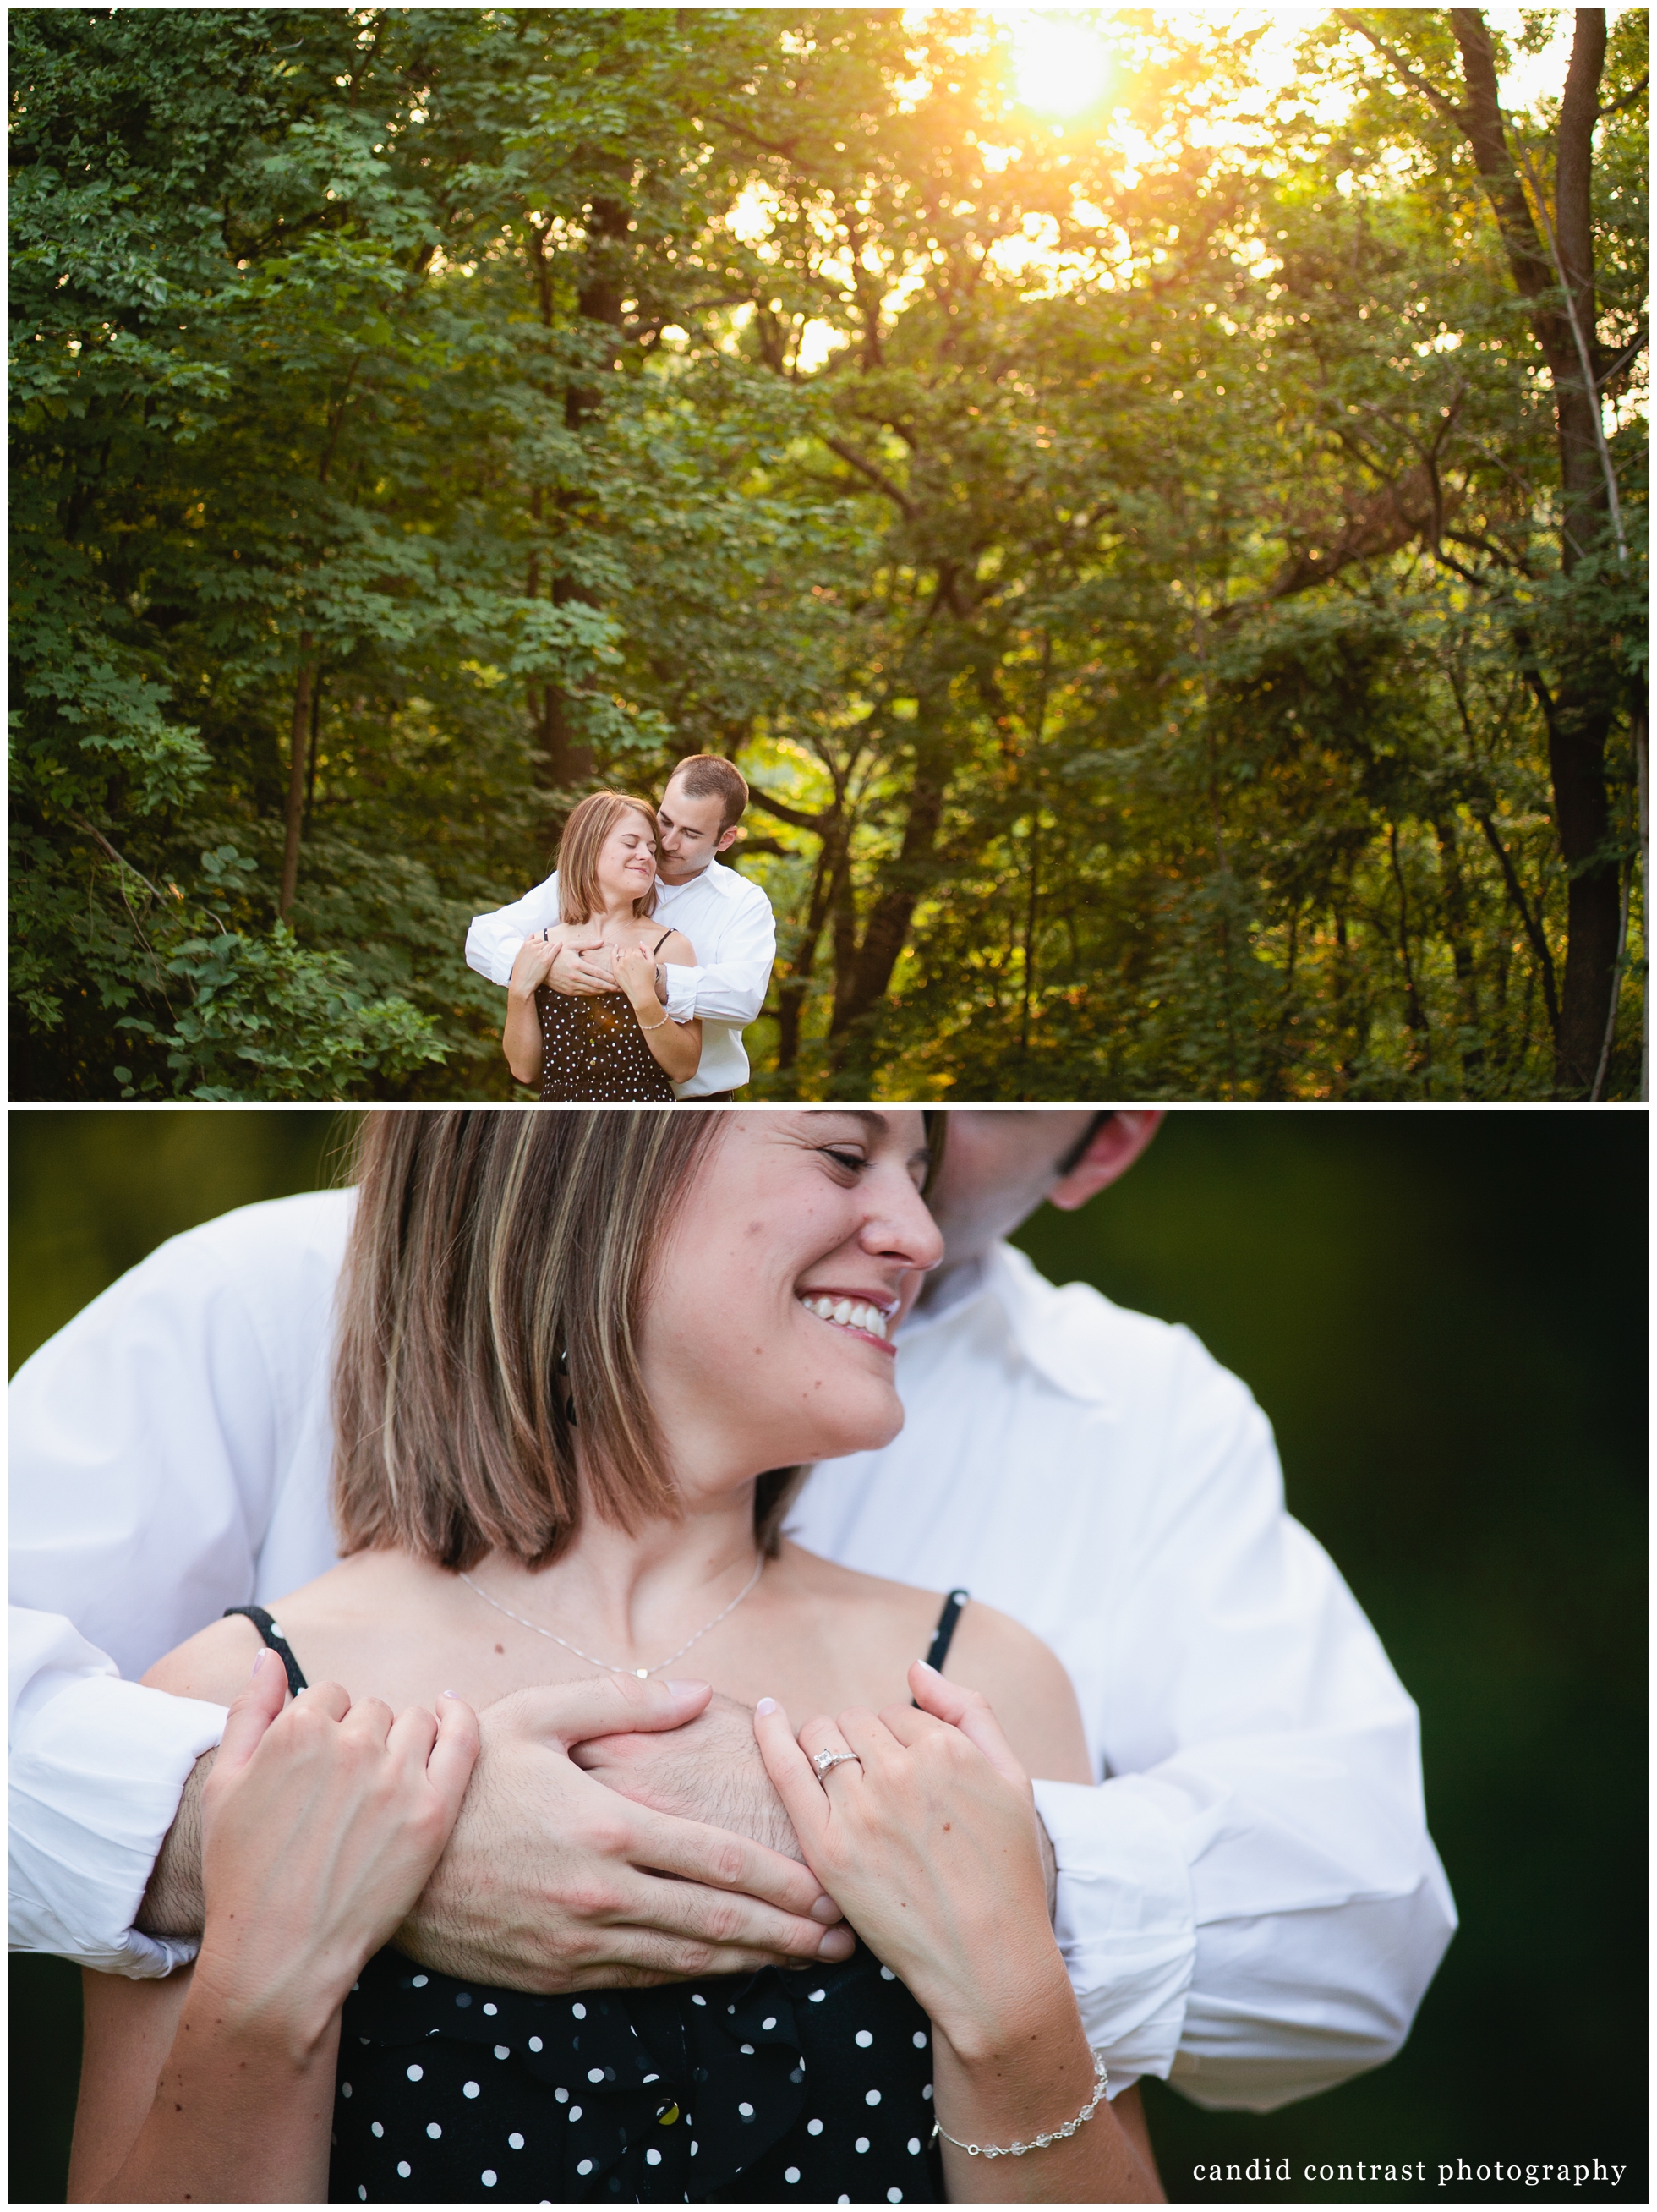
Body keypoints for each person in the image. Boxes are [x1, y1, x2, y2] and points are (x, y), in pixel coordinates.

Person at [9, 1109, 1455, 2119]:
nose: (905, 1207)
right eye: (845, 1134)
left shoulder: (1143, 1427)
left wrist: (874, 1835)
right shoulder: (270, 1290)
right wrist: (280, 1832)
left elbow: (1365, 1925)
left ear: (1114, 1140)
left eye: (953, 1122)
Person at [468, 754, 773, 1101]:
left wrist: (652, 979)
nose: (668, 843)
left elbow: (744, 1000)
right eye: (665, 821)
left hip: (695, 1103)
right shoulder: (600, 874)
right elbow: (481, 938)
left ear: (725, 839)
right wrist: (545, 967)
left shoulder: (742, 903)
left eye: (690, 834)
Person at [500, 791, 701, 1100]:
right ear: (589, 847)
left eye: (651, 848)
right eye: (630, 844)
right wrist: (519, 991)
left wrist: (645, 999)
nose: (647, 856)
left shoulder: (671, 946)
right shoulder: (542, 944)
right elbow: (523, 1069)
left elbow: (684, 1068)